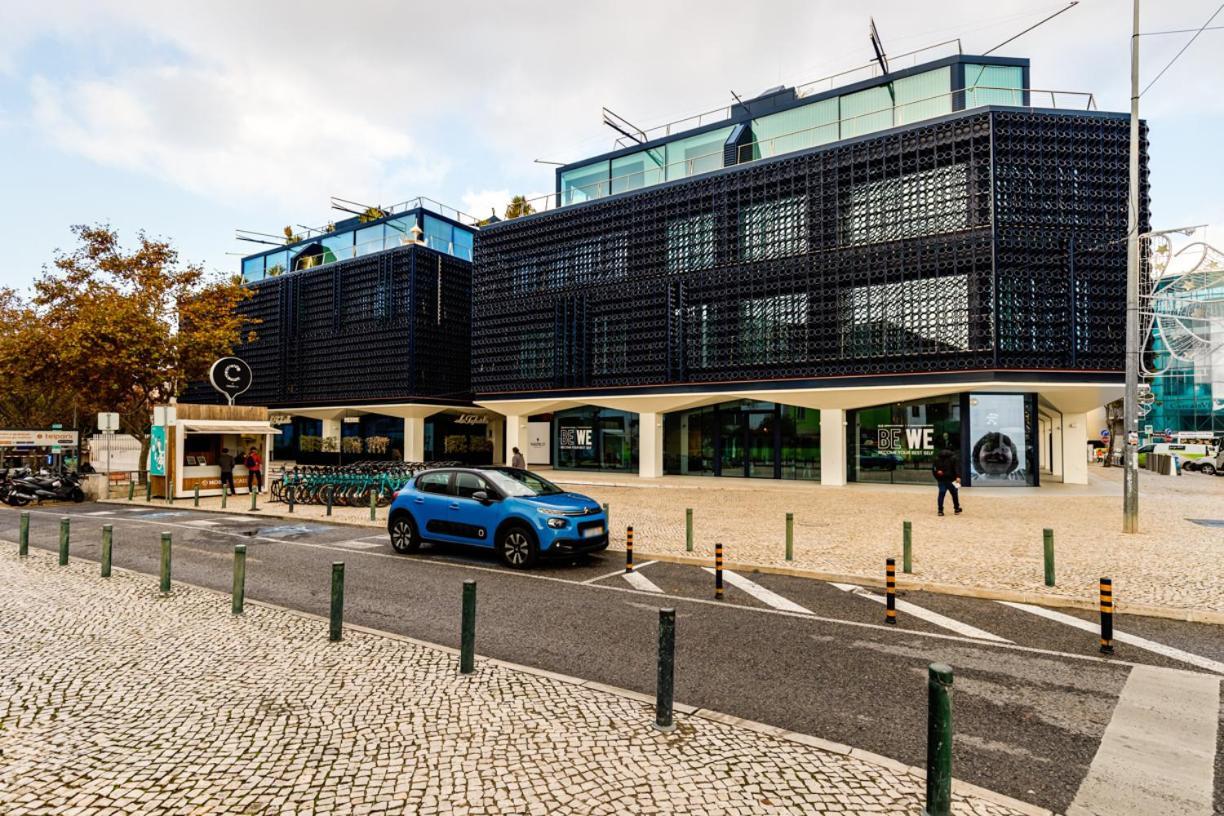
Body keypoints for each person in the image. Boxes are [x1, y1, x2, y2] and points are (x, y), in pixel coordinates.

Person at [932, 444, 962, 517]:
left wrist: (937, 477)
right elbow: (956, 468)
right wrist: (958, 476)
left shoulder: (937, 458)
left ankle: (940, 510)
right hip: (952, 479)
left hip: (941, 479)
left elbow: (934, 469)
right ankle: (956, 509)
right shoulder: (954, 458)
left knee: (941, 494)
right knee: (954, 494)